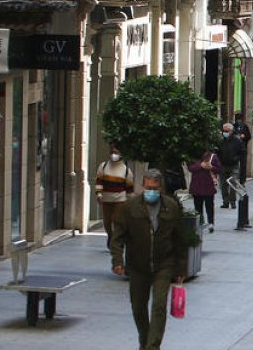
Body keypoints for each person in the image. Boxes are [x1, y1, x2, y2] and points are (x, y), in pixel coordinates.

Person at [110, 169, 188, 350]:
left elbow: (179, 239)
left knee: (159, 306)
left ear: (160, 187)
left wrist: (181, 269)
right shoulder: (130, 207)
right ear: (143, 186)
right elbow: (118, 237)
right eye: (147, 187)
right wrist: (117, 261)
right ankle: (145, 339)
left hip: (164, 264)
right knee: (138, 307)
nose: (150, 191)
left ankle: (153, 346)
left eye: (154, 188)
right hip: (138, 265)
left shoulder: (171, 206)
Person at [95, 145, 135, 249]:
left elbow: (129, 188)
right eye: (113, 152)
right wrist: (99, 193)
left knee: (117, 220)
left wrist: (129, 201)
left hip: (120, 199)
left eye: (116, 152)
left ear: (121, 154)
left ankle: (116, 241)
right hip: (106, 198)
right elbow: (99, 181)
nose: (114, 154)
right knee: (107, 221)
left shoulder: (126, 170)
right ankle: (110, 236)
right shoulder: (103, 166)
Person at [186, 149, 221, 233]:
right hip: (197, 186)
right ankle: (200, 223)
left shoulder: (213, 157)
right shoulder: (192, 156)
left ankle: (211, 223)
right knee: (198, 207)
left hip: (208, 186)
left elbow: (219, 169)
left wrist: (211, 167)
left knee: (209, 206)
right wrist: (200, 165)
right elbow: (190, 168)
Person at [217, 123, 245, 209]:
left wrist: (236, 159)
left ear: (231, 131)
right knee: (223, 185)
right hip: (223, 165)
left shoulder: (238, 141)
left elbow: (242, 153)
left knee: (233, 184)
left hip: (234, 165)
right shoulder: (221, 141)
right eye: (223, 131)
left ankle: (232, 202)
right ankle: (225, 202)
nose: (224, 132)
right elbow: (218, 152)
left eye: (226, 131)